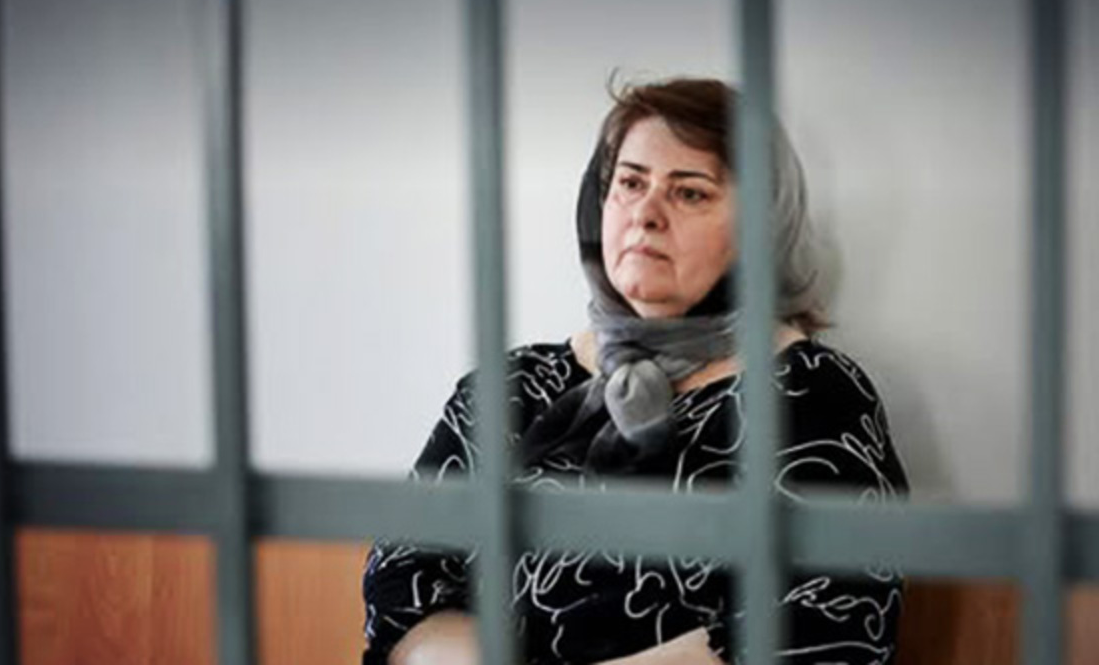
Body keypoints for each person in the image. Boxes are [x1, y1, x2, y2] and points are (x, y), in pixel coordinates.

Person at [361, 76, 910, 665]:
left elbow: (827, 618)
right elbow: (402, 584)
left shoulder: (814, 394)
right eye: (629, 183)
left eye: (690, 193)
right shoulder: (512, 386)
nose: (646, 214)